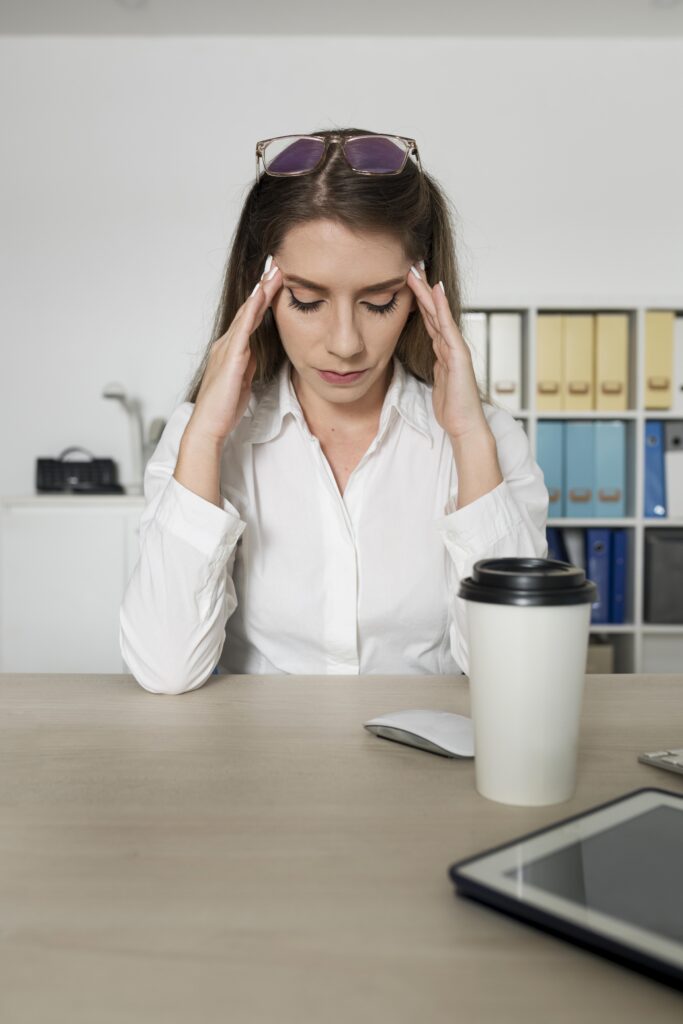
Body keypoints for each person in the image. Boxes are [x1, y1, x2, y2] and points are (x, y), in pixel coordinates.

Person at [120, 128, 549, 695]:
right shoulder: (203, 439)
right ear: (262, 295)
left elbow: (514, 672)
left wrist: (468, 435)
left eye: (378, 302)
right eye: (306, 301)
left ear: (423, 295)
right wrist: (203, 437)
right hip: (263, 765)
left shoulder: (487, 441)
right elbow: (165, 669)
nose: (345, 343)